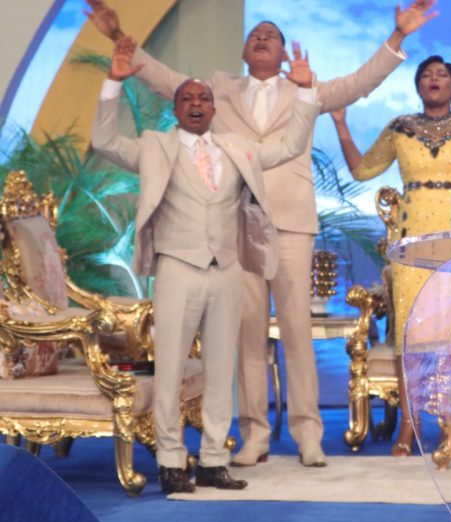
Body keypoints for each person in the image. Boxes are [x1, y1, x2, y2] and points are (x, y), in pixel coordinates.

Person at [85, 0, 439, 468]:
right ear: (244, 52)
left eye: (272, 35)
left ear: (283, 51)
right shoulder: (217, 90)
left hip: (291, 220)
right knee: (246, 334)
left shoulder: (306, 89)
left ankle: (308, 434)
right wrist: (117, 37)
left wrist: (398, 37)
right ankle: (255, 434)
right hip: (234, 224)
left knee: (296, 330)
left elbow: (360, 82)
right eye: (256, 34)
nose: (263, 38)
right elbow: (162, 78)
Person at [91, 36, 319, 494]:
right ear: (176, 109)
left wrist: (307, 91)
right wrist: (113, 83)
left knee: (220, 368)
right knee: (171, 368)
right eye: (187, 99)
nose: (196, 104)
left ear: (214, 109)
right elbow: (104, 141)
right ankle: (171, 460)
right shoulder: (154, 147)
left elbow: (292, 144)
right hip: (178, 266)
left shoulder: (238, 148)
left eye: (204, 98)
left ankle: (214, 459)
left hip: (228, 267)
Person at [331, 55, 451, 456]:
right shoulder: (400, 127)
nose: (434, 79)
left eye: (442, 74)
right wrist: (340, 123)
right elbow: (363, 170)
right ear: (418, 85)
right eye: (427, 74)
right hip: (411, 238)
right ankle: (408, 430)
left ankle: (450, 426)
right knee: (409, 335)